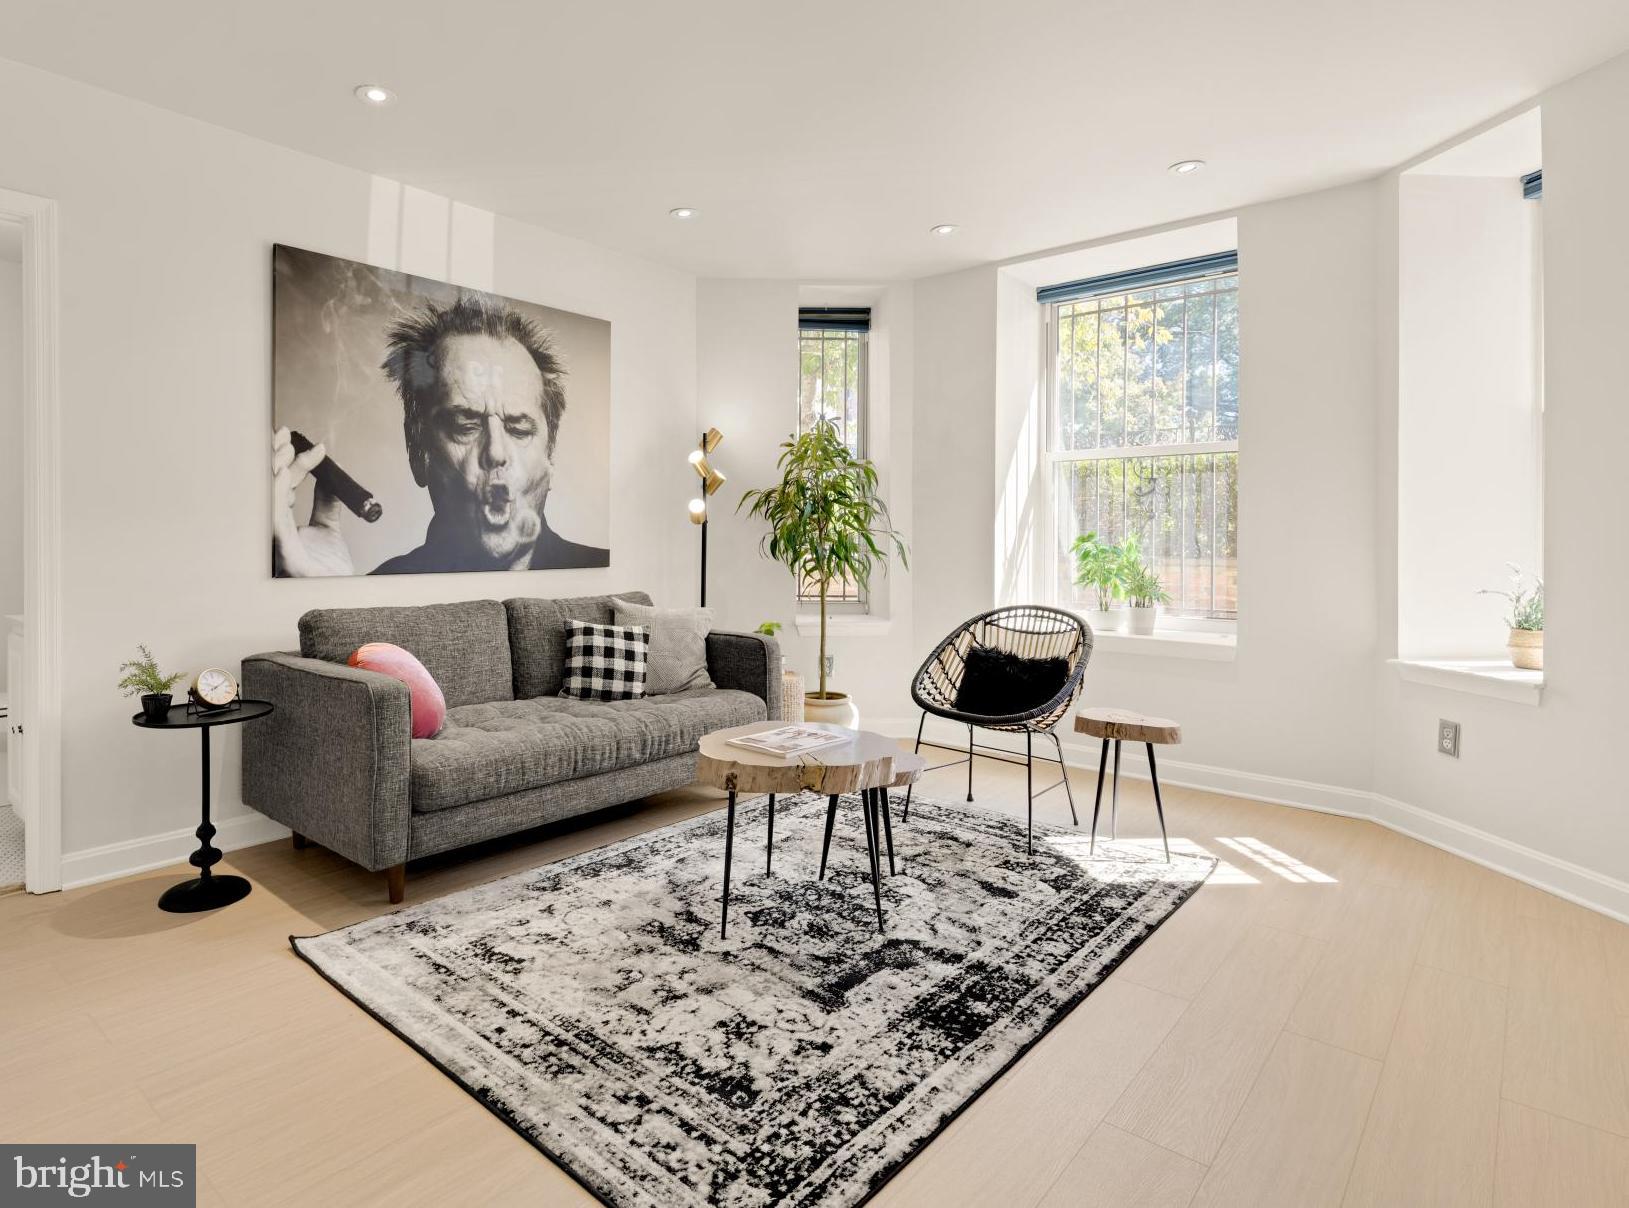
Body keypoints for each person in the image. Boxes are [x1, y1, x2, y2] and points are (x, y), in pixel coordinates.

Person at [273, 295, 608, 576]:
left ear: (550, 454)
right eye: (465, 426)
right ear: (417, 453)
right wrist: (322, 593)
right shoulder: (378, 591)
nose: (496, 452)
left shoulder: (599, 572)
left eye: (519, 428)